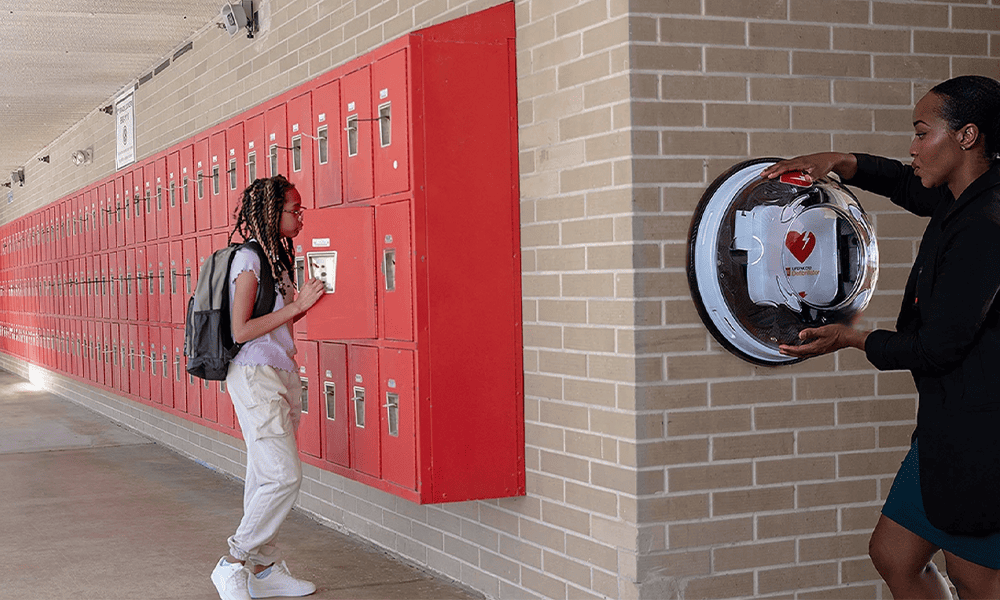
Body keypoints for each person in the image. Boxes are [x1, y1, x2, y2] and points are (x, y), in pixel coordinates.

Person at [760, 75, 1000, 599]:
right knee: (893, 555)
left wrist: (850, 338)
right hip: (947, 424)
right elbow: (909, 186)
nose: (912, 148)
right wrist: (843, 161)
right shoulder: (964, 193)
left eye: (921, 133)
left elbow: (938, 348)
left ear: (967, 136)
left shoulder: (986, 222)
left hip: (984, 437)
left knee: (974, 577)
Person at [210, 175, 325, 600]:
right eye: (295, 209)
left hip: (281, 373)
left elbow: (283, 320)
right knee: (283, 475)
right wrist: (297, 305)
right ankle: (233, 562)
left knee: (263, 474)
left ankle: (263, 569)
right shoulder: (249, 260)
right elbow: (240, 329)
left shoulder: (279, 256)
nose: (301, 217)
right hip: (255, 375)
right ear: (271, 212)